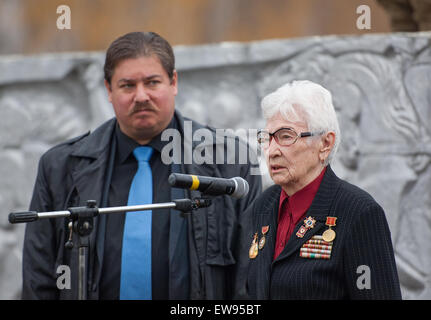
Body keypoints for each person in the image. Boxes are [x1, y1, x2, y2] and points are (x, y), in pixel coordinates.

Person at [22, 31, 262, 300]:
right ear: (108, 90)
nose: (141, 96)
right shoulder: (60, 167)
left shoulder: (229, 163)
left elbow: (249, 279)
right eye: (127, 85)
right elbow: (38, 278)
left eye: (152, 82)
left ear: (173, 82)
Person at [234, 80, 401, 299]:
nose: (271, 151)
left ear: (325, 144)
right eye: (267, 138)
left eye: (286, 137)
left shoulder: (358, 212)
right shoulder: (263, 206)